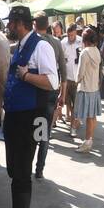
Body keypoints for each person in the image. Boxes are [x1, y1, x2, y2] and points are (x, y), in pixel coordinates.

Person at [0, 6, 60, 208]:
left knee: (23, 170)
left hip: (32, 117)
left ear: (19, 23)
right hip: (15, 116)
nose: (8, 27)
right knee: (13, 168)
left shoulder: (41, 45)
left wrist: (25, 77)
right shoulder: (22, 45)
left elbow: (52, 81)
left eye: (10, 23)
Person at [34, 14, 63, 177]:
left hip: (37, 93)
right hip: (52, 93)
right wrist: (62, 95)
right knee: (44, 134)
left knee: (34, 131)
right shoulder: (57, 42)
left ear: (34, 25)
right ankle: (39, 169)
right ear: (48, 25)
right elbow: (63, 73)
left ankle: (31, 166)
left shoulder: (34, 42)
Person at [75, 27, 103, 153]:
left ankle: (88, 141)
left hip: (86, 88)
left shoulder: (84, 53)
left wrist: (76, 81)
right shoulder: (97, 51)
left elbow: (80, 74)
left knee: (88, 117)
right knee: (92, 117)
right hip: (94, 88)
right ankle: (89, 139)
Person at [60, 24, 82, 132]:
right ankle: (72, 120)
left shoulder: (81, 41)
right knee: (68, 102)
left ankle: (73, 127)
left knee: (76, 104)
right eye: (69, 35)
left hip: (77, 78)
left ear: (76, 33)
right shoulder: (63, 42)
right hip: (66, 77)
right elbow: (61, 59)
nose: (70, 38)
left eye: (72, 35)